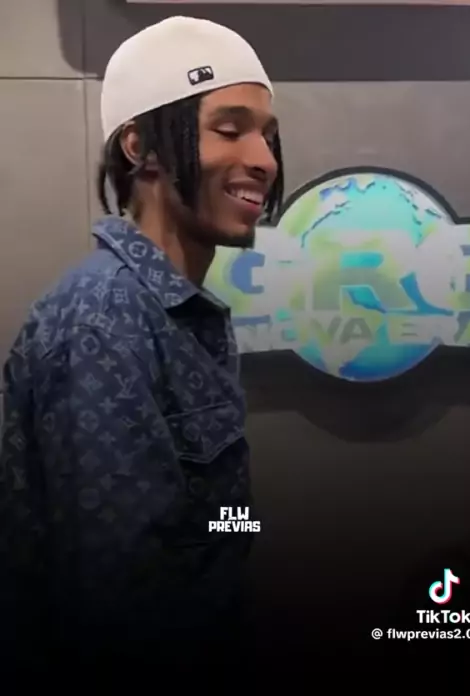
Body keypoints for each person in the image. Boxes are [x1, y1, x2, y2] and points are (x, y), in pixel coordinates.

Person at [0, 16, 283, 673]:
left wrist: (244, 529)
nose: (265, 161)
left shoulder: (175, 311)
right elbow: (121, 615)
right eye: (230, 129)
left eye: (268, 136)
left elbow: (203, 523)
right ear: (140, 147)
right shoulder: (106, 322)